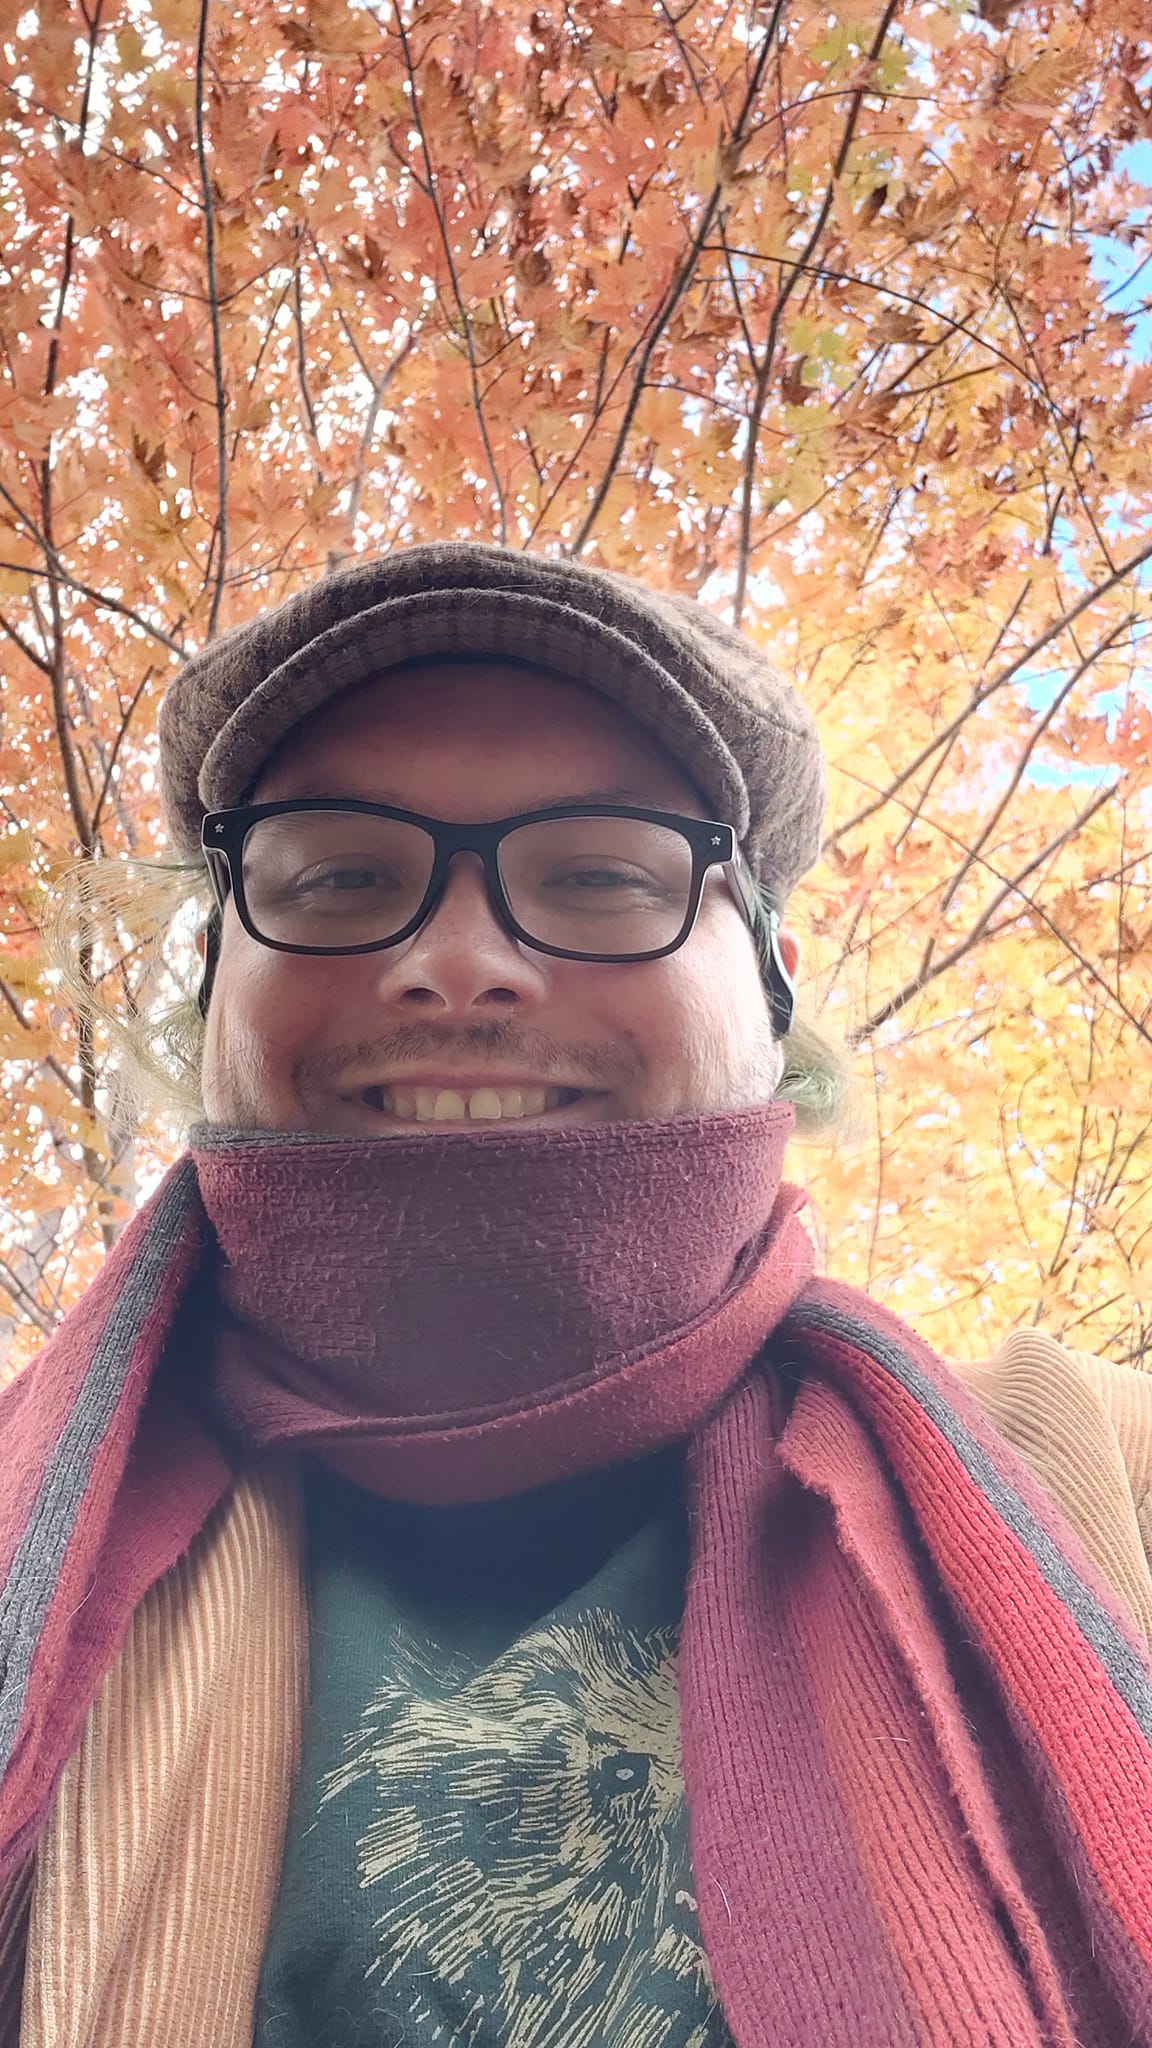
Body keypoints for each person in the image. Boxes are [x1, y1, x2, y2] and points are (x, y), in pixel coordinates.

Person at [0, 543, 1150, 2048]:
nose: (459, 962)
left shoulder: (1108, 1487)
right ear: (217, 973)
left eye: (603, 873)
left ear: (775, 990)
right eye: (339, 874)